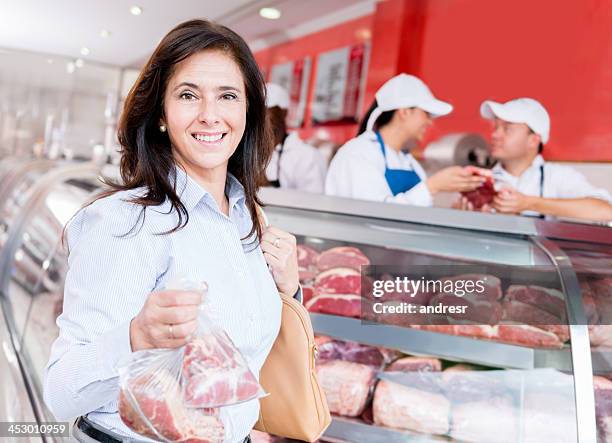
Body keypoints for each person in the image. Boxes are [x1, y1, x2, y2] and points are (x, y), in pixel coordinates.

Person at [43, 19, 300, 443]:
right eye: (187, 95)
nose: (210, 115)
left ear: (248, 111)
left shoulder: (248, 216)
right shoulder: (124, 221)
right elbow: (61, 392)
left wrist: (288, 291)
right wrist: (136, 337)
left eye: (228, 96)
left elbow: (245, 359)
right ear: (161, 113)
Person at [325, 74, 489, 206]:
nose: (429, 122)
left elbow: (418, 215)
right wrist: (433, 186)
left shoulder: (408, 161)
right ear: (404, 112)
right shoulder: (359, 153)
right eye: (426, 113)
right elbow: (373, 217)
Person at [457, 97, 612, 221]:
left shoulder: (557, 176)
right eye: (495, 127)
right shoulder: (479, 180)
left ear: (533, 140)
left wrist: (528, 203)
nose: (495, 135)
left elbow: (605, 211)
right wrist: (464, 215)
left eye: (507, 129)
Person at [264, 83, 327, 193]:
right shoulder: (248, 152)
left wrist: (266, 185)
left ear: (283, 113)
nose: (260, 117)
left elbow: (314, 205)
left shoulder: (307, 157)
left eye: (266, 110)